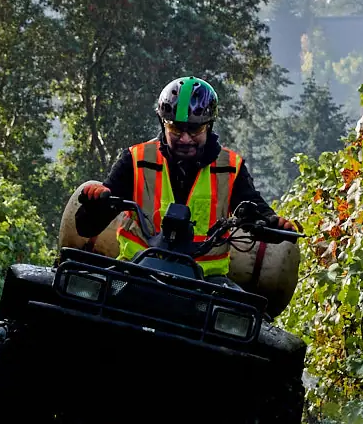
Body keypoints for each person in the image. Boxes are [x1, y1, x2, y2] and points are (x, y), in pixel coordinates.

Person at [73, 76, 296, 278]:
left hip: (206, 283)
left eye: (195, 130)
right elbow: (87, 226)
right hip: (137, 272)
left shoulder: (231, 168)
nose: (186, 139)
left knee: (248, 320)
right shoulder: (135, 159)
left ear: (209, 126)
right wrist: (96, 204)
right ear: (163, 123)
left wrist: (274, 224)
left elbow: (255, 208)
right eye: (176, 130)